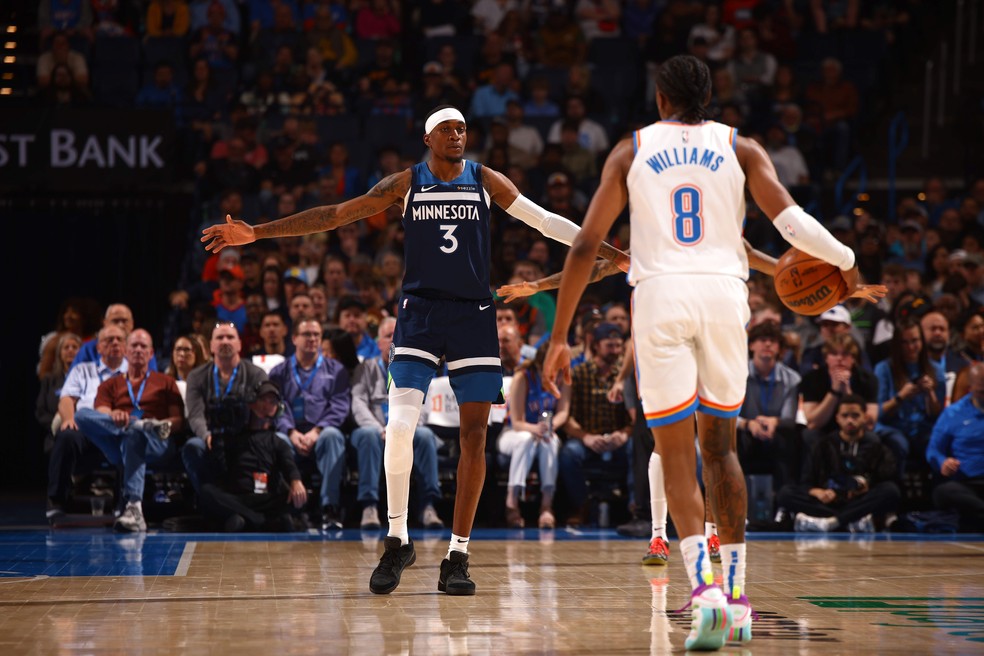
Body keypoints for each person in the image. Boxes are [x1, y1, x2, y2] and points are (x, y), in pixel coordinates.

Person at [202, 104, 629, 596]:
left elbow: (547, 222)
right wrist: (257, 232)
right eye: (447, 128)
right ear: (428, 137)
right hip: (420, 316)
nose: (457, 134)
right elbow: (335, 216)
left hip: (473, 315)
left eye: (463, 128)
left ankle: (458, 554)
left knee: (474, 438)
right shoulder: (405, 184)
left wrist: (611, 253)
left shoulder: (485, 179)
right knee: (400, 428)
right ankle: (398, 537)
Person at [541, 55, 884, 650]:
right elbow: (795, 225)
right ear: (709, 97)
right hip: (726, 297)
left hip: (661, 296)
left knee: (676, 451)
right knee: (722, 449)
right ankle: (739, 597)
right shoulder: (741, 147)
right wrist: (848, 266)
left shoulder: (630, 150)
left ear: (659, 98)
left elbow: (584, 248)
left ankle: (702, 589)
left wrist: (558, 337)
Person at [75, 330, 185, 532]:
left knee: (134, 436)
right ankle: (136, 425)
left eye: (143, 346)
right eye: (134, 345)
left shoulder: (165, 382)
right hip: (117, 442)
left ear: (151, 353)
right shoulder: (110, 384)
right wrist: (115, 414)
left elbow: (177, 420)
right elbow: (101, 413)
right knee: (81, 415)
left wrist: (158, 424)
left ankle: (134, 507)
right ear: (126, 351)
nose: (138, 350)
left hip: (156, 441)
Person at [350, 317, 445, 531]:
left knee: (426, 436)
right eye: (387, 336)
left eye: (398, 335)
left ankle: (429, 506)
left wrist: (405, 430)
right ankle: (369, 506)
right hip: (375, 429)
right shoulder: (365, 368)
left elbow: (424, 405)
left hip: (406, 429)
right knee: (367, 435)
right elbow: (358, 403)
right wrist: (380, 429)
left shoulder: (417, 367)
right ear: (379, 344)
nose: (393, 340)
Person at [268, 318, 350, 531]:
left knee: (333, 436)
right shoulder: (278, 372)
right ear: (294, 338)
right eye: (307, 334)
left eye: (316, 335)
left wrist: (317, 431)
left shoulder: (337, 370)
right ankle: (287, 509)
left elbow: (340, 406)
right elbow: (275, 407)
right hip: (291, 432)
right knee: (278, 441)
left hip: (320, 432)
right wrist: (291, 431)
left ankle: (329, 508)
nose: (312, 339)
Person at [777, 394, 900, 533]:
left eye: (855, 416)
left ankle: (832, 522)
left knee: (890, 490)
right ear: (837, 418)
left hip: (859, 501)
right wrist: (818, 492)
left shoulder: (876, 445)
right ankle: (849, 521)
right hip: (829, 501)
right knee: (786, 493)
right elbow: (806, 482)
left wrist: (866, 486)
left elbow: (885, 477)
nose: (850, 420)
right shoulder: (823, 445)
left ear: (865, 417)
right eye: (845, 415)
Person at [198, 380, 308, 532]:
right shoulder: (234, 436)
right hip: (238, 497)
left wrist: (296, 481)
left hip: (266, 498)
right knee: (206, 491)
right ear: (251, 403)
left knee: (298, 497)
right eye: (263, 400)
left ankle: (245, 520)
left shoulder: (277, 441)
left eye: (272, 402)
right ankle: (260, 521)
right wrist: (217, 435)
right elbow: (218, 469)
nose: (267, 405)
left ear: (278, 408)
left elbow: (289, 464)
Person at [45, 325, 129, 521]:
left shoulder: (133, 372)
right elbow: (66, 399)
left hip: (118, 429)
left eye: (119, 339)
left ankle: (123, 503)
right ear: (98, 347)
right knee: (66, 436)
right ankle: (57, 501)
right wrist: (68, 419)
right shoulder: (83, 370)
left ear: (125, 346)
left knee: (130, 439)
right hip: (86, 428)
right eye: (109, 340)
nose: (114, 343)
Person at [182, 322, 270, 500]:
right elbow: (195, 414)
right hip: (211, 437)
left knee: (268, 443)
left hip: (246, 436)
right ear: (211, 346)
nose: (225, 341)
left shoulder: (257, 374)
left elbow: (265, 413)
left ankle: (261, 501)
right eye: (219, 338)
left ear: (239, 344)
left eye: (230, 337)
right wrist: (206, 436)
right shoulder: (196, 376)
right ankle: (209, 500)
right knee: (192, 447)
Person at [557, 321, 633, 527]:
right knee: (568, 453)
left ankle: (635, 509)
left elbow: (636, 418)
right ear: (596, 346)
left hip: (619, 438)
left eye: (618, 346)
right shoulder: (578, 373)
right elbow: (567, 418)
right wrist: (586, 437)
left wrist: (625, 433)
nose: (615, 351)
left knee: (638, 449)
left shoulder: (626, 376)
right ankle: (582, 506)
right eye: (610, 345)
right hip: (587, 439)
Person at [497, 343, 569, 529]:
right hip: (513, 433)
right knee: (526, 439)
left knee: (550, 442)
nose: (554, 372)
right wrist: (534, 429)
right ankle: (511, 503)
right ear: (540, 365)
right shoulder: (523, 377)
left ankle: (546, 506)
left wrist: (549, 427)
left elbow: (563, 413)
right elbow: (517, 422)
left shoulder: (563, 377)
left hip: (543, 433)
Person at [926, 362, 984, 532]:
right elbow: (933, 450)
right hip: (966, 483)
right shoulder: (953, 413)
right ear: (971, 387)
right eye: (982, 391)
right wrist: (943, 462)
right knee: (943, 492)